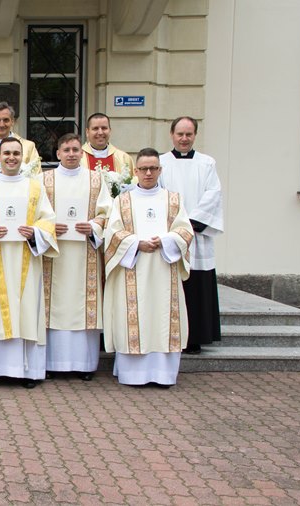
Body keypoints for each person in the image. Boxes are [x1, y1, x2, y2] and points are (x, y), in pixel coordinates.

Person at [0, 136, 58, 388]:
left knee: (27, 310)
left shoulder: (35, 188)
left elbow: (48, 220)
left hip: (26, 259)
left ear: (22, 157)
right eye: (7, 153)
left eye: (16, 153)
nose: (11, 158)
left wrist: (36, 232)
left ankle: (28, 372)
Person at [103, 148, 194, 387]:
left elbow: (185, 231)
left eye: (153, 168)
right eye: (143, 168)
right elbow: (111, 232)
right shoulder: (122, 201)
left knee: (162, 318)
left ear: (160, 170)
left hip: (164, 269)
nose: (148, 173)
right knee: (135, 315)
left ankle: (163, 374)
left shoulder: (173, 199)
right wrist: (136, 243)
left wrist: (165, 241)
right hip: (133, 266)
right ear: (136, 171)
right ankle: (133, 374)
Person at [41, 133, 112, 381]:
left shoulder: (95, 180)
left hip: (85, 254)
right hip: (54, 256)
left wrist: (92, 226)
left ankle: (84, 365)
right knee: (55, 305)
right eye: (66, 150)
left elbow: (107, 213)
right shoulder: (44, 180)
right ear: (58, 153)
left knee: (83, 307)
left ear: (82, 153)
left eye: (75, 149)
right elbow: (35, 215)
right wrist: (49, 227)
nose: (71, 154)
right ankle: (52, 363)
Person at [159, 116, 224, 354]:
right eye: (180, 134)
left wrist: (192, 222)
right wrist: (176, 225)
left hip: (197, 234)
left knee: (196, 286)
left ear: (195, 135)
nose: (184, 139)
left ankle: (195, 337)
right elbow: (159, 194)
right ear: (172, 135)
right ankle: (170, 335)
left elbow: (213, 194)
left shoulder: (207, 164)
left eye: (189, 134)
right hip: (171, 235)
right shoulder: (161, 163)